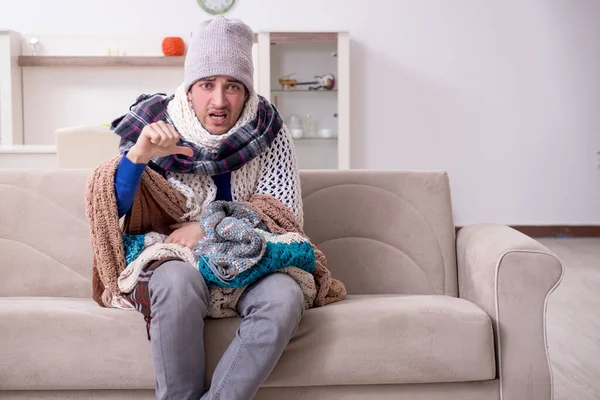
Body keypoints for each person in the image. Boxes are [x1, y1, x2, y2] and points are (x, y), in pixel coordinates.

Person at [110, 16, 305, 400]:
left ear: (246, 92)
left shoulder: (268, 130)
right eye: (207, 85)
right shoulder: (156, 126)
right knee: (177, 283)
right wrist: (140, 155)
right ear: (189, 89)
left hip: (251, 258)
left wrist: (208, 226)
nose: (219, 101)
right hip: (174, 260)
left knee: (286, 295)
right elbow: (114, 212)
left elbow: (283, 214)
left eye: (232, 86)